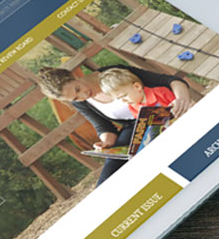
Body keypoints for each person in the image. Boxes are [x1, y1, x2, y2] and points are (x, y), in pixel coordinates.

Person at [37, 65, 194, 185]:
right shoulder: (82, 103)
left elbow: (169, 81)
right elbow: (104, 127)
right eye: (76, 98)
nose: (83, 96)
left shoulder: (113, 74)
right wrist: (105, 143)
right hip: (133, 126)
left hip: (161, 112)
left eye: (78, 89)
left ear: (75, 76)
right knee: (111, 167)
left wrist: (182, 99)